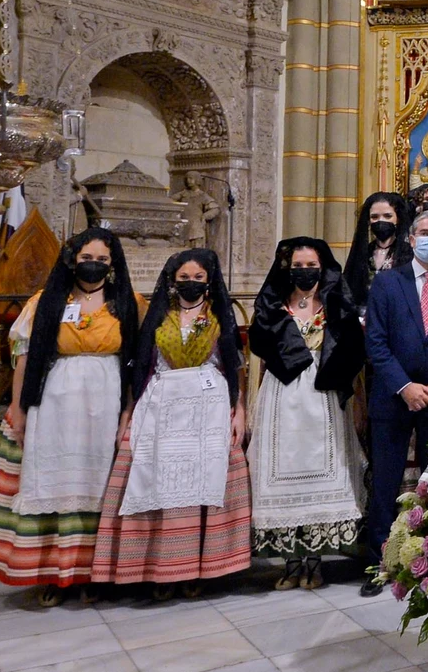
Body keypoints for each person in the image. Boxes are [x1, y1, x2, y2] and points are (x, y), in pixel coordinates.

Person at [0, 227, 142, 605]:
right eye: (87, 258)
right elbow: (24, 357)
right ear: (71, 259)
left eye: (102, 259)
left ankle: (93, 575)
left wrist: (128, 412)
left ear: (112, 263)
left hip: (105, 403)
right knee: (58, 485)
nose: (94, 265)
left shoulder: (129, 303)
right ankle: (54, 574)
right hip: (54, 404)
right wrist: (18, 408)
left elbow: (137, 364)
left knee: (95, 487)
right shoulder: (46, 301)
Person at [91, 249, 252, 598]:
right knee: (153, 480)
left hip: (209, 406)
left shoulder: (218, 316)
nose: (190, 284)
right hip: (160, 404)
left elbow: (233, 366)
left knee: (201, 488)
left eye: (197, 279)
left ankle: (197, 569)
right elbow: (142, 365)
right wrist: (129, 413)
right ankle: (157, 569)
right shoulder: (158, 316)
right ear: (171, 280)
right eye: (184, 278)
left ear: (209, 282)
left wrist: (239, 410)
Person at [362, 208, 428, 596]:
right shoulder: (387, 283)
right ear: (411, 240)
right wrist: (405, 386)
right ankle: (379, 560)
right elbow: (375, 342)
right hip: (393, 397)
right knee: (386, 480)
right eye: (423, 232)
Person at [248, 237, 366, 590]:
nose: (304, 271)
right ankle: (290, 561)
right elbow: (260, 343)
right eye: (297, 266)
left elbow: (352, 350)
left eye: (310, 265)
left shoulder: (334, 303)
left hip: (324, 393)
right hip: (282, 393)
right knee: (283, 468)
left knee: (321, 470)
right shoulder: (273, 304)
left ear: (323, 266)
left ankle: (315, 561)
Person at [343, 191, 410, 316]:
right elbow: (349, 290)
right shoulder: (363, 253)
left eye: (387, 216)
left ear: (398, 218)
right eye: (375, 217)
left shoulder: (408, 254)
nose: (381, 221)